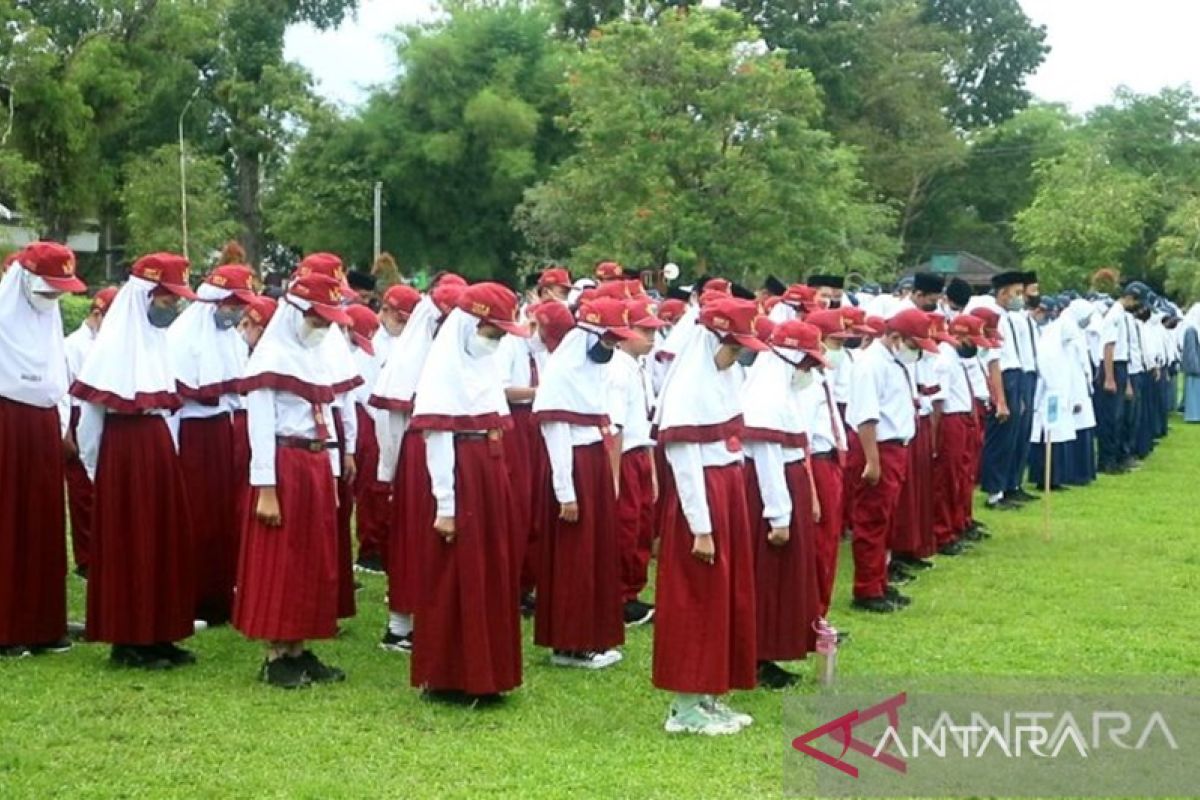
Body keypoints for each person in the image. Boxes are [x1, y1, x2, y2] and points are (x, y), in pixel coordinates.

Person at [72, 252, 198, 670]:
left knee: (164, 541)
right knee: (132, 544)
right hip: (124, 454)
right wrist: (98, 471)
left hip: (157, 447)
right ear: (143, 298)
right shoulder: (111, 350)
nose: (171, 309)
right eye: (164, 302)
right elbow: (90, 421)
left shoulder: (157, 346)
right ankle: (129, 638)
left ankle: (161, 632)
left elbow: (166, 406)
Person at [408, 282, 529, 703]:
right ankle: (451, 674)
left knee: (490, 573)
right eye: (491, 334)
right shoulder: (443, 374)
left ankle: (490, 671)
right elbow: (438, 442)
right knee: (455, 576)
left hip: (489, 473)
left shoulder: (482, 371)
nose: (494, 343)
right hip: (462, 480)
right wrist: (446, 505)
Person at [233, 273, 354, 688]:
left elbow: (327, 418)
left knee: (312, 558)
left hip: (315, 463)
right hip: (285, 462)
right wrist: (266, 487)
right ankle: (275, 654)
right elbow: (261, 426)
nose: (321, 330)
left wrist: (333, 473)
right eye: (317, 321)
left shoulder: (314, 358)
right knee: (281, 557)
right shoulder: (271, 358)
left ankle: (299, 647)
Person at [653, 297, 762, 735]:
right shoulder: (688, 387)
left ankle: (710, 692)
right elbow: (683, 461)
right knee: (696, 599)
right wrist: (701, 527)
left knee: (724, 596)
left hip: (727, 489)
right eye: (732, 348)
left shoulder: (724, 378)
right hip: (703, 499)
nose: (735, 358)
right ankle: (685, 706)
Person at [531, 297, 636, 670]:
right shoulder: (563, 374)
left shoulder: (592, 375)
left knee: (593, 555)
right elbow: (556, 434)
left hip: (590, 464)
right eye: (606, 341)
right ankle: (569, 642)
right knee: (574, 558)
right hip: (573, 469)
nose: (610, 349)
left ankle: (589, 635)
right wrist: (566, 493)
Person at [370, 276, 467, 652]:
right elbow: (391, 419)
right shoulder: (410, 360)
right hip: (418, 456)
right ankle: (401, 625)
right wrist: (389, 472)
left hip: (454, 452)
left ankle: (438, 617)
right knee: (415, 538)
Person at [0, 242, 86, 658]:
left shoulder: (48, 320)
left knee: (43, 520)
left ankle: (42, 623)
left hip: (42, 425)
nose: (53, 298)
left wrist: (63, 424)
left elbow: (57, 377)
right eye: (48, 289)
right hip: (6, 423)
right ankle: (6, 625)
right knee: (8, 520)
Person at [168, 264, 256, 626]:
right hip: (191, 437)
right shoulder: (182, 339)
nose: (235, 314)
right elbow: (175, 397)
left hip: (223, 433)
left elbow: (237, 393)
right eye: (230, 306)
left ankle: (220, 594)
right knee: (196, 516)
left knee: (222, 516)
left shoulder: (232, 341)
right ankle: (191, 596)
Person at [741, 320, 827, 689]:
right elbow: (766, 456)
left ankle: (770, 648)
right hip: (770, 491)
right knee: (767, 576)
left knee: (781, 577)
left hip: (785, 484)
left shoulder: (782, 390)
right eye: (806, 362)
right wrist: (779, 514)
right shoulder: (767, 394)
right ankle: (757, 653)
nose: (808, 370)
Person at [845, 308, 936, 613]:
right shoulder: (871, 365)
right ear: (896, 338)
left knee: (886, 519)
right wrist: (872, 461)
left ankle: (879, 580)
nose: (917, 354)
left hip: (896, 447)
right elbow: (866, 417)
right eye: (914, 346)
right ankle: (867, 588)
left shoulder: (895, 362)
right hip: (878, 448)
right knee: (871, 519)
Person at [608, 297, 665, 627]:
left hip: (640, 453)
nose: (652, 337)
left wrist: (652, 468)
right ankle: (619, 595)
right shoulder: (617, 370)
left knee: (642, 524)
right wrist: (615, 475)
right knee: (626, 526)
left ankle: (632, 590)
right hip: (626, 455)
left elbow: (643, 423)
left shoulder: (637, 369)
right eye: (644, 330)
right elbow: (615, 427)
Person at [62, 285, 118, 579]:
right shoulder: (73, 346)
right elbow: (63, 389)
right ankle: (86, 557)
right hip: (77, 413)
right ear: (97, 314)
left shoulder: (114, 343)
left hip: (106, 417)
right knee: (83, 491)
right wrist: (66, 433)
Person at [969, 272, 1025, 509]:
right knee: (999, 438)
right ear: (1003, 292)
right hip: (1002, 377)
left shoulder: (1009, 316)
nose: (1020, 298)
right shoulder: (992, 317)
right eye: (1017, 293)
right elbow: (994, 361)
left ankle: (1005, 486)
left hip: (1014, 375)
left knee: (1010, 438)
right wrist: (1000, 398)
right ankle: (994, 491)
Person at [345, 304, 389, 575]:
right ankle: (368, 548)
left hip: (369, 418)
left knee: (372, 486)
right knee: (364, 486)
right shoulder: (342, 353)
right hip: (363, 418)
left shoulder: (365, 350)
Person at [1095, 283, 1148, 473]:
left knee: (1118, 417)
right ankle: (1106, 461)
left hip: (1121, 366)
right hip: (1112, 367)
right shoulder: (1114, 316)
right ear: (1131, 297)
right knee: (1110, 417)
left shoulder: (1122, 315)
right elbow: (1108, 347)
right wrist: (1109, 378)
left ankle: (1116, 458)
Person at [375, 284, 421, 367]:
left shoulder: (406, 339)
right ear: (386, 309)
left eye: (409, 322)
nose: (404, 325)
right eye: (401, 319)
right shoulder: (369, 337)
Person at [1182, 304, 1200, 423]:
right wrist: (1195, 367)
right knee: (1193, 390)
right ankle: (1193, 416)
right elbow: (1191, 352)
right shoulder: (1191, 330)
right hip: (1194, 367)